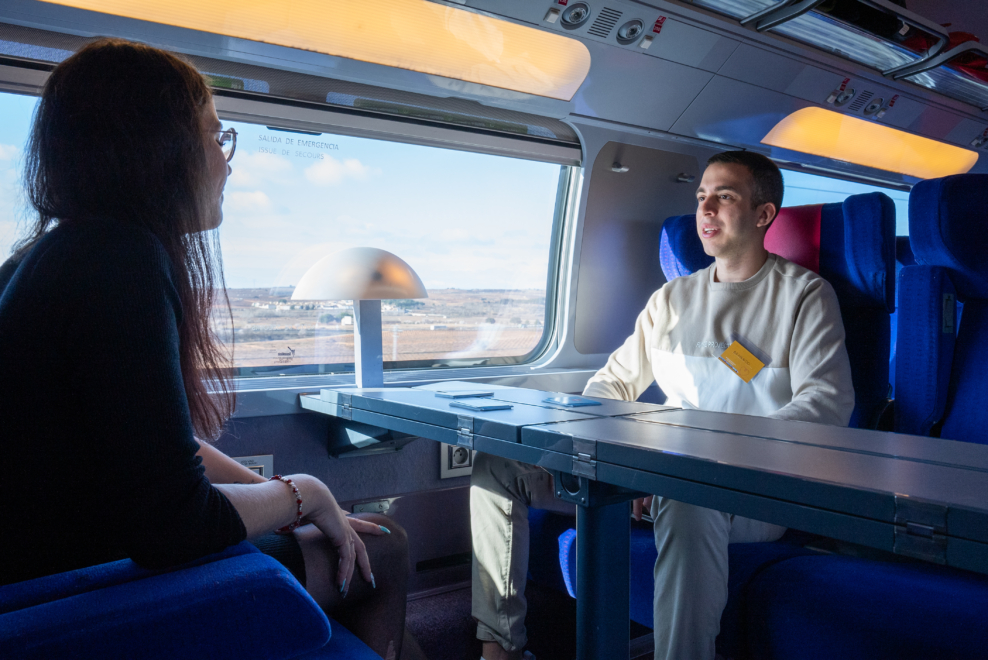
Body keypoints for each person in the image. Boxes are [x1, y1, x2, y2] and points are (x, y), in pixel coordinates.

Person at [0, 38, 422, 660]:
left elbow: (149, 438)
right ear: (158, 149)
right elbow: (174, 523)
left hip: (47, 561)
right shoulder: (122, 260)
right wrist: (306, 491)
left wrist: (273, 495)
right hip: (89, 579)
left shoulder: (38, 260)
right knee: (384, 543)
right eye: (215, 136)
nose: (226, 162)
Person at [470, 151, 855, 660]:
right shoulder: (672, 299)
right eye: (701, 197)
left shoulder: (804, 295)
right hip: (647, 471)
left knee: (685, 497)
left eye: (725, 196)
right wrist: (617, 458)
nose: (707, 209)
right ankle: (499, 648)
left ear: (763, 215)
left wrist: (687, 464)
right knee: (498, 462)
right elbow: (610, 386)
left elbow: (825, 406)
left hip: (746, 489)